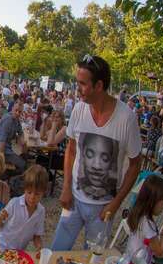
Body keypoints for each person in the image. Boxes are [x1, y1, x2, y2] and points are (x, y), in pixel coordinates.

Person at [51, 55, 142, 251]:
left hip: (103, 208)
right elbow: (71, 149)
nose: (78, 89)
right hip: (73, 200)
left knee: (92, 262)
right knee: (56, 252)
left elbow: (135, 164)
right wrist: (66, 187)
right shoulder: (78, 110)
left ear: (99, 86)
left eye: (82, 84)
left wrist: (116, 203)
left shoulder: (126, 118)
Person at [126, 175, 163, 264]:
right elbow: (159, 251)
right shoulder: (148, 226)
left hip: (130, 260)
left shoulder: (137, 213)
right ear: (153, 202)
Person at [0, 164, 48, 251]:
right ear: (25, 189)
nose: (32, 197)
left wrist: (39, 247)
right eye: (29, 192)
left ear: (43, 193)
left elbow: (37, 235)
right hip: (1, 246)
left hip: (18, 253)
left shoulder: (41, 211)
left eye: (37, 194)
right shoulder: (14, 203)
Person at [0, 102, 26, 174]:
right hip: (0, 150)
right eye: (16, 110)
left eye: (20, 112)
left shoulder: (16, 120)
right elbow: (2, 143)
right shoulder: (8, 120)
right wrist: (1, 162)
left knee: (23, 158)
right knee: (23, 165)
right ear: (12, 109)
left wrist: (22, 141)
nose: (17, 113)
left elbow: (21, 132)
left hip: (7, 148)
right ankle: (4, 176)